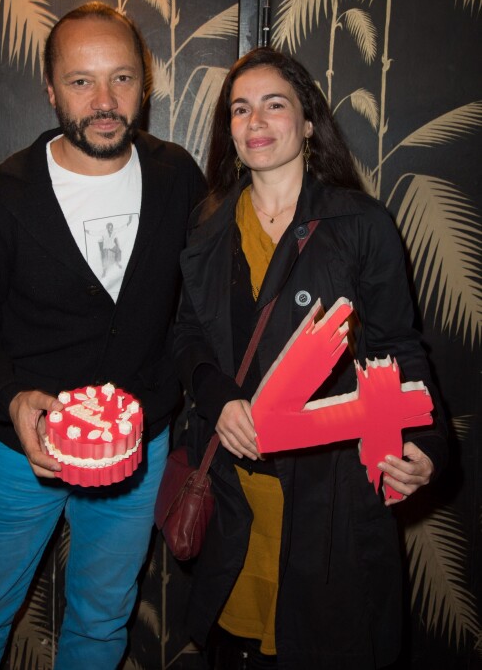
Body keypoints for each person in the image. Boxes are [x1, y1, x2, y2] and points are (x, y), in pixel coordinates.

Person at [0, 2, 206, 669]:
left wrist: (164, 396)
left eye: (121, 78)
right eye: (81, 81)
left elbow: (199, 308)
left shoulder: (178, 179)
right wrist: (11, 395)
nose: (104, 101)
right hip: (18, 453)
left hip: (135, 452)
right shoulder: (3, 194)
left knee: (100, 625)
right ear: (50, 90)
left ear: (144, 83)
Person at [173, 47, 447, 670]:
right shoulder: (208, 224)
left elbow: (399, 347)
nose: (256, 122)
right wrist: (216, 398)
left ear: (306, 123)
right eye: (240, 109)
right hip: (235, 498)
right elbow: (188, 335)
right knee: (236, 650)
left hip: (329, 499)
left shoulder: (360, 224)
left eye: (275, 105)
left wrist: (424, 443)